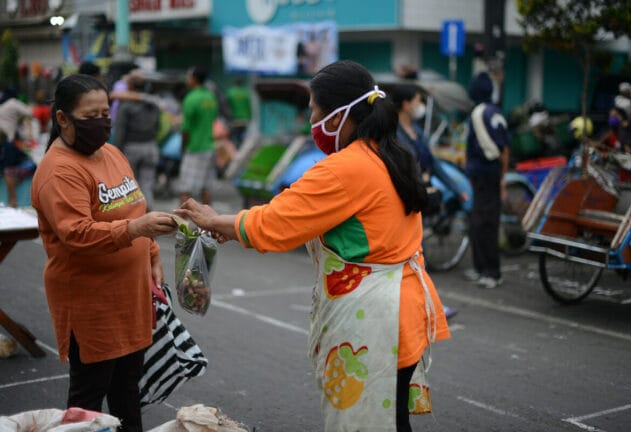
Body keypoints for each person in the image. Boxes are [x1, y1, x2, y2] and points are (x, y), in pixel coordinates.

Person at [175, 60, 450, 432]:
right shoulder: (387, 153)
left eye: (314, 111)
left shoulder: (345, 168)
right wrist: (230, 225)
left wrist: (211, 220)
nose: (311, 122)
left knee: (369, 424)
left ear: (337, 117)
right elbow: (298, 216)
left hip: (375, 322)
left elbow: (274, 224)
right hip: (402, 310)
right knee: (392, 420)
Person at [29, 74, 177, 432]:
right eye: (90, 115)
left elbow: (133, 207)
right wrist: (137, 231)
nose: (101, 122)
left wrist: (152, 253)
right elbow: (77, 233)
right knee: (87, 401)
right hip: (91, 303)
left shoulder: (111, 153)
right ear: (63, 118)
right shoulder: (59, 171)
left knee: (127, 390)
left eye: (104, 113)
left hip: (131, 297)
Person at [392, 83, 464, 319]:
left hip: (419, 201)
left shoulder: (417, 132)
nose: (420, 106)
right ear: (405, 104)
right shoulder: (393, 133)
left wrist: (456, 188)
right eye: (417, 101)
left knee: (413, 257)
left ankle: (423, 306)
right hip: (401, 202)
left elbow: (434, 164)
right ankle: (426, 306)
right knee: (409, 258)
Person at [463, 71, 510, 289]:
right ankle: (483, 268)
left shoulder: (478, 113)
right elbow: (505, 148)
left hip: (483, 174)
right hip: (493, 174)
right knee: (484, 222)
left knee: (483, 223)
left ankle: (491, 271)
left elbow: (484, 149)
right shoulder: (495, 111)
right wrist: (502, 178)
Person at [112, 73, 161, 211]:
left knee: (130, 185)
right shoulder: (153, 104)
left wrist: (115, 153)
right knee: (147, 183)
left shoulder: (126, 106)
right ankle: (148, 210)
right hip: (151, 147)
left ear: (131, 86)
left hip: (131, 148)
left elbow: (120, 131)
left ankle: (136, 216)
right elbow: (158, 126)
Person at [177, 66, 218, 205]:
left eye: (189, 76)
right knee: (206, 189)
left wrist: (183, 148)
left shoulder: (191, 98)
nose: (187, 79)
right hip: (210, 146)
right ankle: (210, 225)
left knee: (185, 190)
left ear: (194, 79)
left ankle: (180, 225)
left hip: (195, 148)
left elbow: (186, 129)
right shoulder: (210, 97)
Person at [225, 79, 252, 148]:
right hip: (245, 118)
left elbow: (226, 106)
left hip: (235, 118)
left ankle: (237, 148)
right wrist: (250, 116)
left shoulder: (230, 92)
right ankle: (242, 147)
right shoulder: (245, 92)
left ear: (234, 84)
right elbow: (249, 106)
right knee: (243, 134)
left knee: (235, 135)